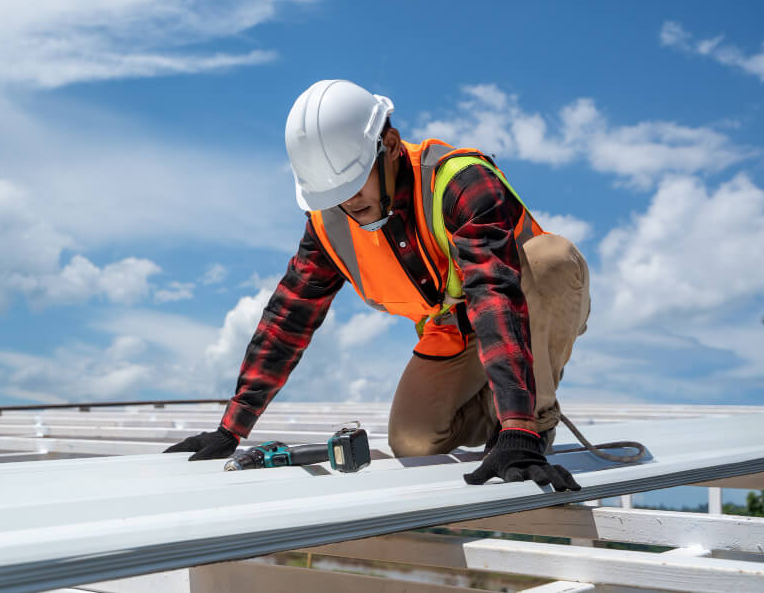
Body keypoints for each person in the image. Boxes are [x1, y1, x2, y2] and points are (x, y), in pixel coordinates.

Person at [166, 80, 590, 491]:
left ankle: (532, 421)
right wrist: (232, 428)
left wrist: (518, 428)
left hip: (525, 303)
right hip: (456, 328)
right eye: (334, 193)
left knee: (549, 260)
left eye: (354, 184)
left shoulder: (460, 180)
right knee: (414, 441)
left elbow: (495, 294)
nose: (348, 202)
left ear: (390, 145)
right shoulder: (330, 225)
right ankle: (506, 406)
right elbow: (288, 319)